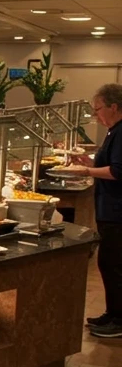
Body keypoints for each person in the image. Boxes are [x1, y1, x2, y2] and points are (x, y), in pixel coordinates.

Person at [63, 84, 122, 337]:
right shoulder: (113, 131)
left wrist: (85, 171)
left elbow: (118, 171)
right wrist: (89, 162)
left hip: (117, 212)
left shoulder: (121, 132)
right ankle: (112, 312)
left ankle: (118, 320)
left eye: (98, 109)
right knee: (108, 263)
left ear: (113, 107)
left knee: (114, 264)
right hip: (109, 209)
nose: (96, 115)